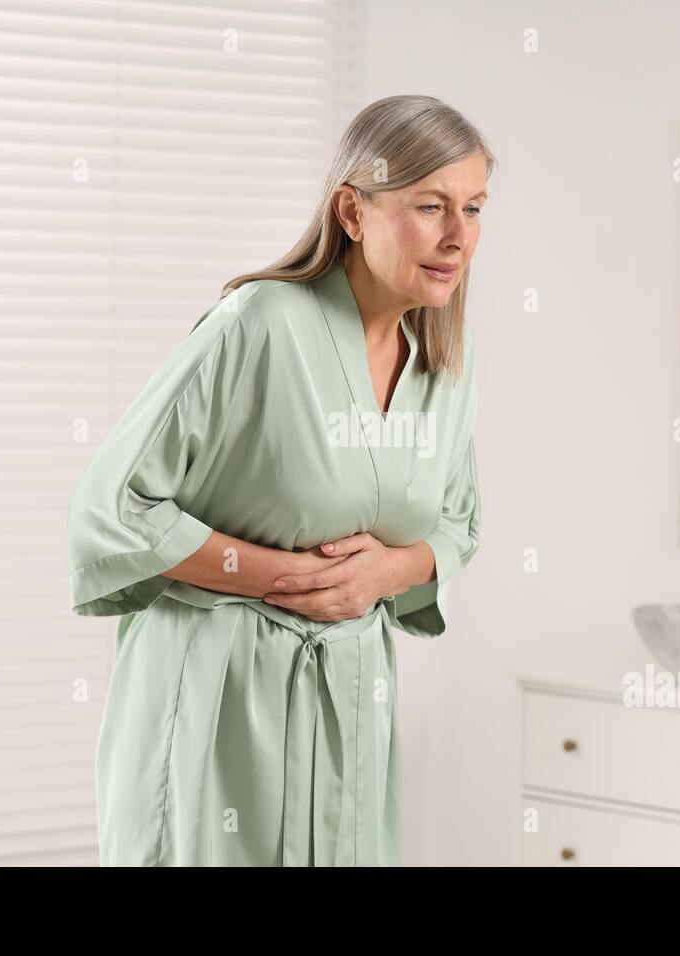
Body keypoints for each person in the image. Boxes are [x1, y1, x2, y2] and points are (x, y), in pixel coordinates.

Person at [66, 94, 491, 866]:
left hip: (350, 703)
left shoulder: (444, 366)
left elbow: (457, 524)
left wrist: (388, 572)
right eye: (431, 206)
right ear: (353, 213)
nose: (458, 236)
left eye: (474, 207)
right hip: (216, 695)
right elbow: (115, 506)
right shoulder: (260, 323)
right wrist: (284, 577)